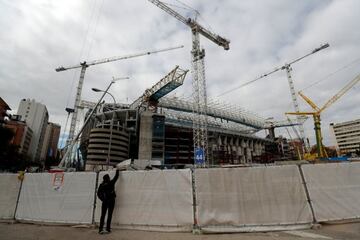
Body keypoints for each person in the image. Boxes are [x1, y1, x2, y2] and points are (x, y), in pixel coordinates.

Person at [97, 169, 119, 234]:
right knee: (109, 215)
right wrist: (117, 171)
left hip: (105, 202)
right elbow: (116, 177)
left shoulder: (102, 185)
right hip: (111, 201)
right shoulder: (111, 183)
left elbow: (98, 194)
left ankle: (100, 229)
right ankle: (108, 228)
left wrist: (103, 199)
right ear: (108, 178)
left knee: (102, 215)